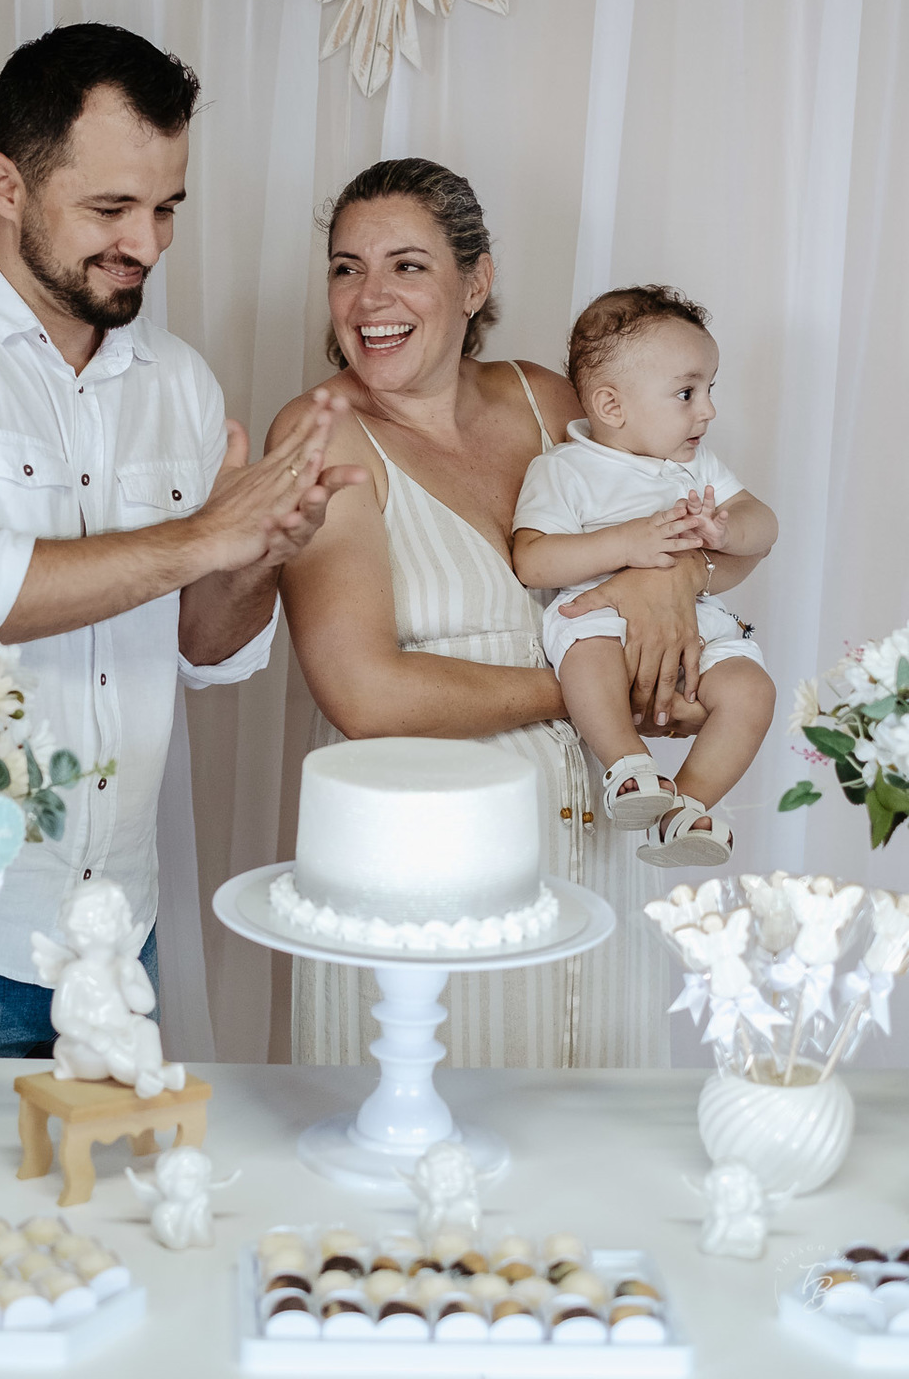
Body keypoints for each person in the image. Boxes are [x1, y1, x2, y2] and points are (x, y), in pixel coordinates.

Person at [0, 22, 363, 1056]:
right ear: (5, 185)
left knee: (114, 1214)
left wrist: (260, 549)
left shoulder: (179, 380)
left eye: (166, 208)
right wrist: (202, 535)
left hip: (116, 933)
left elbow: (203, 647)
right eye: (110, 208)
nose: (145, 243)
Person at [271, 158, 769, 1068]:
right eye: (347, 266)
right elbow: (366, 693)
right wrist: (590, 690)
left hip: (602, 851)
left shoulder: (549, 401)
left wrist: (668, 592)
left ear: (477, 280)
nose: (370, 296)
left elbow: (662, 520)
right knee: (427, 1151)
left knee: (589, 1172)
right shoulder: (321, 434)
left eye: (407, 265)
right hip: (428, 876)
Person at [512, 286, 777, 866]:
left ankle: (687, 807)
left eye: (709, 389)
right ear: (611, 407)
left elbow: (765, 525)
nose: (706, 410)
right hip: (597, 616)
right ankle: (628, 766)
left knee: (752, 691)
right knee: (588, 659)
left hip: (695, 623)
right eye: (686, 392)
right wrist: (625, 542)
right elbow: (532, 560)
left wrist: (725, 533)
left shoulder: (695, 464)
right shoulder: (565, 469)